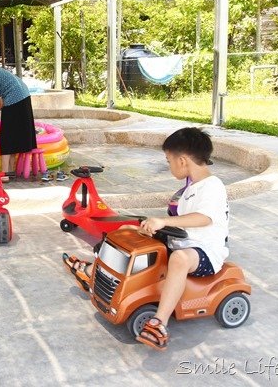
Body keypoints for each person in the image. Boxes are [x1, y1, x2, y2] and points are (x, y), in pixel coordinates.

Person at [65, 127, 229, 351]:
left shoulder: (213, 186)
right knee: (127, 232)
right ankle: (93, 271)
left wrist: (164, 222)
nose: (168, 165)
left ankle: (159, 322)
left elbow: (203, 218)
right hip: (180, 241)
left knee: (179, 259)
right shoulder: (192, 185)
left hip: (204, 251)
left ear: (182, 161)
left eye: (168, 160)